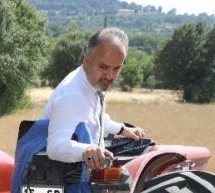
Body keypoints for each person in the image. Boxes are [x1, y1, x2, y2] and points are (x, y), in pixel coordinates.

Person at [42, 28, 146, 171]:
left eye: (116, 68)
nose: (110, 76)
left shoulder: (93, 83)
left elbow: (94, 117)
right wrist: (87, 150)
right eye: (103, 67)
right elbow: (54, 147)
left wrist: (121, 129)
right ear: (87, 60)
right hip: (69, 182)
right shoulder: (73, 94)